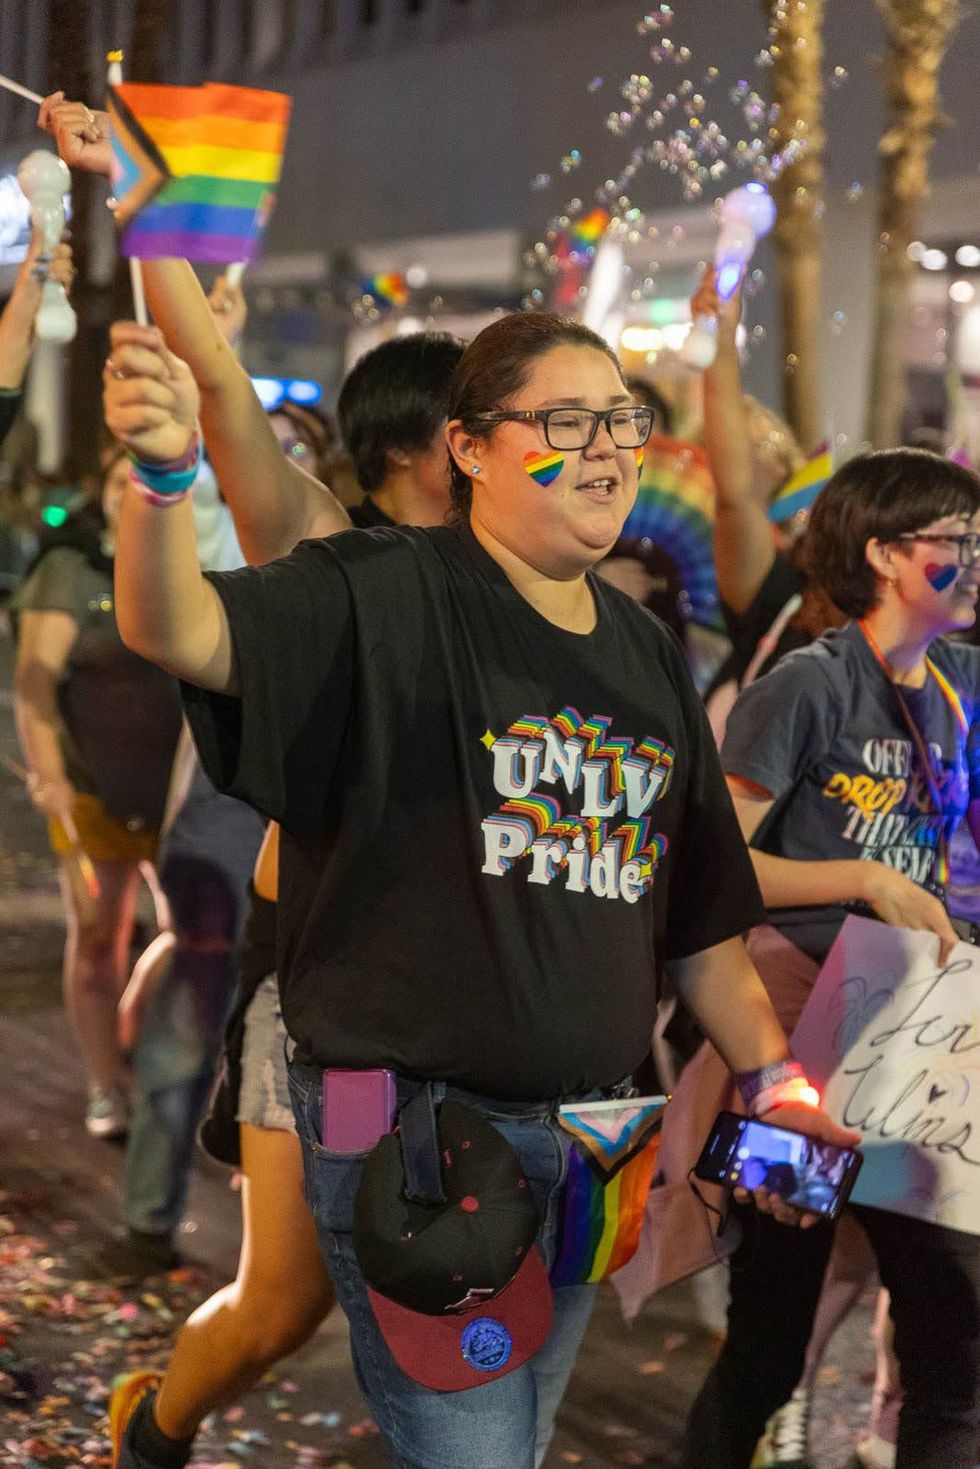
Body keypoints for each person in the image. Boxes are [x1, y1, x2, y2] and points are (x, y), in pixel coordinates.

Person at [103, 301, 856, 1469]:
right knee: (473, 1452)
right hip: (410, 1133)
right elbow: (179, 629)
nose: (607, 447)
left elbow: (698, 919)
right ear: (467, 446)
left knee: (517, 1434)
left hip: (591, 1135)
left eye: (620, 419)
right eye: (566, 420)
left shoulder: (646, 652)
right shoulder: (383, 587)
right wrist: (159, 482)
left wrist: (777, 1083)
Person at [106, 328, 464, 1469]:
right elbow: (221, 401)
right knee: (281, 1307)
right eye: (501, 418)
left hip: (469, 1020)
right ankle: (156, 1428)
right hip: (334, 1019)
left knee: (456, 1303)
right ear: (428, 443)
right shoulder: (342, 572)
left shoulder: (546, 596)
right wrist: (155, 223)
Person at [683, 447, 980, 1469]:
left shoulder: (960, 682)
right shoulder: (807, 683)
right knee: (766, 1339)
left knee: (952, 1335)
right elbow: (709, 864)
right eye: (954, 541)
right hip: (791, 1048)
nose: (974, 558)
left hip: (914, 1046)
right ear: (883, 554)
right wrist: (861, 878)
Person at [12, 445, 181, 1136]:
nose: (130, 488)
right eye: (118, 476)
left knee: (190, 932)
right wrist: (47, 772)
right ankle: (104, 1082)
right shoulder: (70, 570)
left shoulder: (187, 558)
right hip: (89, 786)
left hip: (177, 789)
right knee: (94, 933)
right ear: (101, 489)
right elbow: (33, 681)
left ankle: (132, 1019)